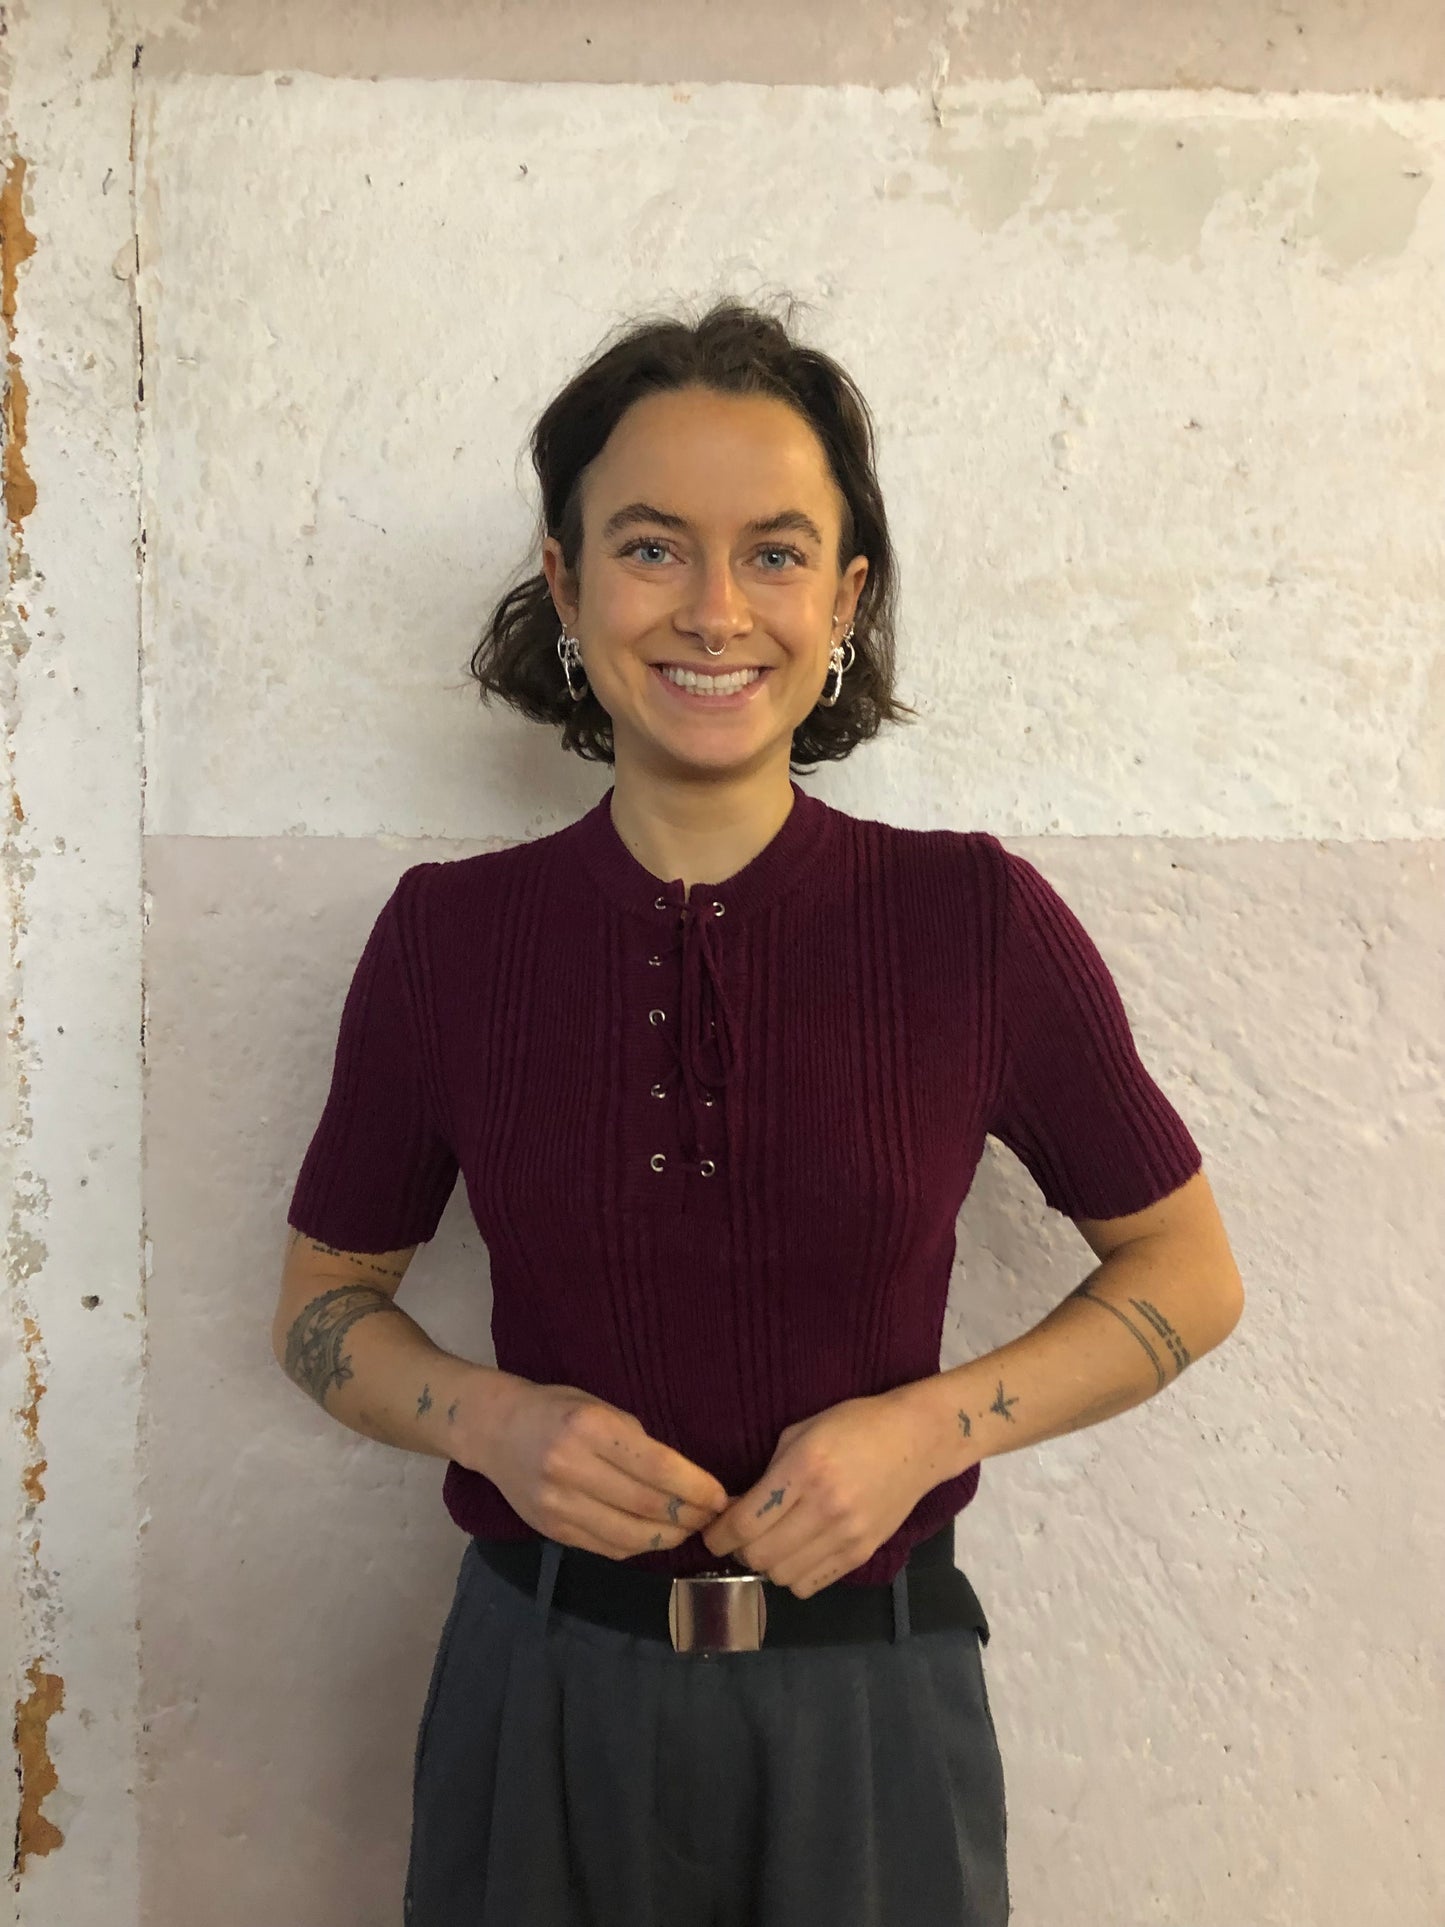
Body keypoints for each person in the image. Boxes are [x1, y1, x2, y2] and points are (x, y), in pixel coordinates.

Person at [273, 297, 1245, 1927]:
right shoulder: (448, 938)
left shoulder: (972, 923)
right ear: (565, 585)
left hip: (868, 1714)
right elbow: (322, 1308)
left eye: (776, 554)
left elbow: (1185, 1273)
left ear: (847, 596)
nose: (715, 611)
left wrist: (927, 1426)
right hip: (540, 1700)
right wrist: (493, 1423)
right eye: (651, 548)